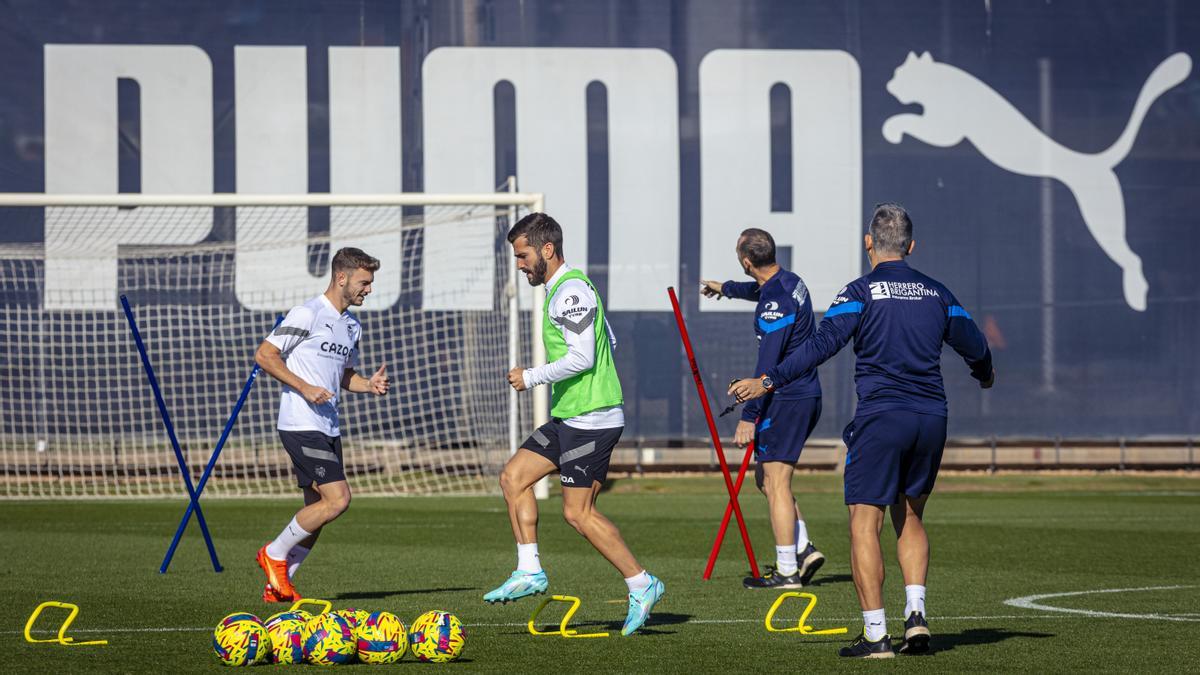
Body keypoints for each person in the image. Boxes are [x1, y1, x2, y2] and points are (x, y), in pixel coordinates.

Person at [730, 203, 994, 658]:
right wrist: (984, 373)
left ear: (868, 242)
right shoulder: (937, 293)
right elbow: (977, 347)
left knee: (863, 524)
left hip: (881, 419)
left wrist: (766, 380)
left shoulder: (860, 292)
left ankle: (876, 635)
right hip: (932, 418)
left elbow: (820, 345)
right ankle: (916, 616)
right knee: (910, 516)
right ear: (911, 246)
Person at [486, 212, 664, 636]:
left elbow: (583, 357)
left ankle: (642, 584)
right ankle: (529, 571)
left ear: (547, 250)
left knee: (578, 514)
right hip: (572, 415)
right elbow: (606, 339)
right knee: (513, 478)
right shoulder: (564, 290)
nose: (520, 263)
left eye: (524, 254)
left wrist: (530, 376)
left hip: (593, 419)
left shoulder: (569, 291)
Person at [252, 247, 390, 602]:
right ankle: (273, 554)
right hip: (300, 423)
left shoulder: (351, 325)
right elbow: (265, 355)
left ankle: (278, 585)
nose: (368, 289)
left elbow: (344, 377)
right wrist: (303, 386)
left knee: (317, 511)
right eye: (364, 282)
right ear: (341, 278)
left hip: (329, 427)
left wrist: (367, 384)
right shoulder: (307, 313)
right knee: (338, 499)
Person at [700, 228, 826, 589]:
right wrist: (723, 287)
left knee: (776, 481)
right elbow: (755, 290)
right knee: (766, 480)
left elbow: (768, 362)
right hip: (800, 394)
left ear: (746, 261)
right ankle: (803, 548)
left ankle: (787, 570)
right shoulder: (787, 280)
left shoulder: (775, 304)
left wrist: (749, 416)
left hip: (786, 398)